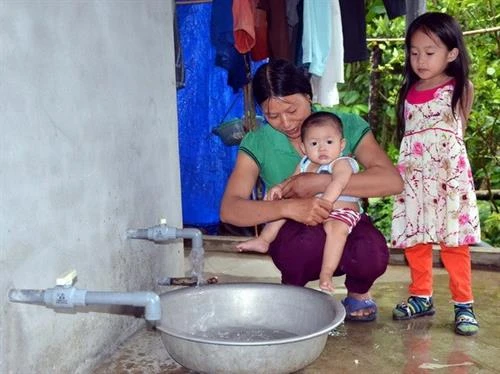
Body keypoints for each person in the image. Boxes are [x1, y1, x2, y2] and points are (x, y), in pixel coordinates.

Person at [220, 59, 404, 321]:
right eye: (272, 115)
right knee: (303, 247)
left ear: (309, 96)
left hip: (344, 217)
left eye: (293, 109)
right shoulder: (258, 141)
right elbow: (230, 210)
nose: (286, 122)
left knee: (370, 251)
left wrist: (319, 184)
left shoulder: (343, 125)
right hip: (296, 230)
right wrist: (289, 206)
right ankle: (294, 293)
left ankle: (358, 292)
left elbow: (392, 181)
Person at [390, 12, 480, 336]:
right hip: (415, 179)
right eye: (414, 52)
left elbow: (457, 132)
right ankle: (421, 295)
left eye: (430, 52)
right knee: (416, 238)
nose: (420, 60)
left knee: (454, 242)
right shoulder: (408, 92)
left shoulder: (459, 87)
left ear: (452, 53)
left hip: (447, 178)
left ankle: (464, 304)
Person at [237, 111, 361, 292]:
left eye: (329, 142)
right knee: (282, 207)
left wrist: (325, 202)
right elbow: (292, 181)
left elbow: (339, 183)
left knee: (336, 231)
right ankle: (264, 239)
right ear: (304, 147)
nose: (322, 148)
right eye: (314, 143)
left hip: (340, 211)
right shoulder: (305, 163)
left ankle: (326, 273)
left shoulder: (342, 162)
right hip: (312, 209)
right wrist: (280, 187)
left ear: (341, 144)